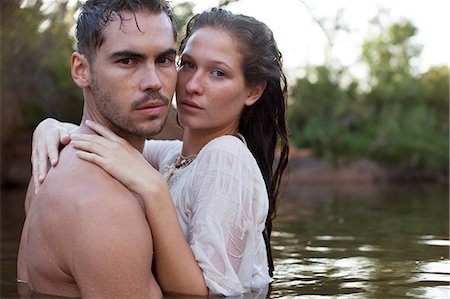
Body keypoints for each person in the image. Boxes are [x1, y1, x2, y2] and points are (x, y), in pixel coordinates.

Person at [30, 7, 290, 297]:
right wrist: (51, 127)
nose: (192, 86)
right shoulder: (174, 158)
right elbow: (115, 147)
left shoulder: (226, 157)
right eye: (187, 64)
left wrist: (155, 191)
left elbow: (207, 292)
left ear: (252, 91)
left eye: (218, 73)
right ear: (82, 70)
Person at [17, 0, 181, 297]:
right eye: (127, 61)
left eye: (165, 60)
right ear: (82, 70)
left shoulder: (53, 162)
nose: (154, 82)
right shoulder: (104, 206)